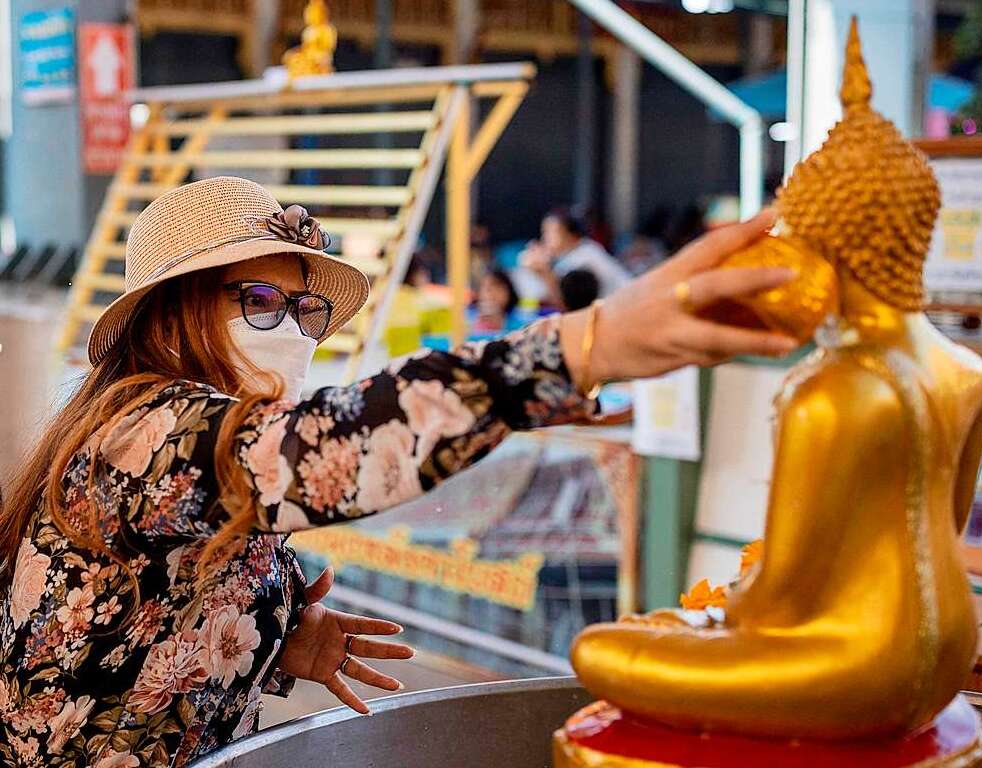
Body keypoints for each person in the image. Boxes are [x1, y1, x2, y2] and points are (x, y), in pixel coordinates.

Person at [0, 177, 796, 767]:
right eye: (257, 299)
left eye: (303, 308)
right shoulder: (142, 434)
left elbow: (136, 630)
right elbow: (336, 449)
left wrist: (273, 644)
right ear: (172, 311)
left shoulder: (197, 431)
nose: (290, 331)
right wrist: (580, 348)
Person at [516, 207, 631, 308]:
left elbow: (566, 303)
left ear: (571, 234)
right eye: (544, 232)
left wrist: (542, 271)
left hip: (622, 311)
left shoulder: (585, 256)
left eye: (551, 232)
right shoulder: (571, 255)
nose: (545, 238)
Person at [471, 269, 520, 333]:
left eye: (498, 289)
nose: (493, 294)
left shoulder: (519, 322)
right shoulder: (469, 320)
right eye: (488, 289)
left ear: (509, 292)